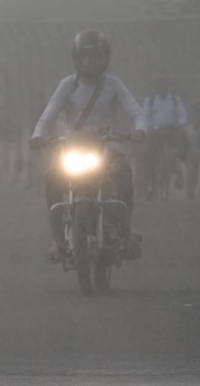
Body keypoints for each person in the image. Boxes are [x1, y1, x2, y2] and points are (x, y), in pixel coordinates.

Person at [28, 30, 147, 263]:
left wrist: (139, 129)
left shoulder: (114, 85)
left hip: (108, 149)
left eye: (95, 57)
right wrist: (38, 135)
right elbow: (47, 117)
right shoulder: (67, 85)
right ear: (76, 58)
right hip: (73, 149)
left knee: (123, 174)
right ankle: (59, 239)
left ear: (104, 58)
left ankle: (126, 231)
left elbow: (136, 112)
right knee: (53, 179)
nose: (89, 62)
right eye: (85, 57)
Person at [141, 78, 189, 198]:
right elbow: (145, 116)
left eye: (164, 86)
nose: (162, 89)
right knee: (148, 155)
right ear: (156, 88)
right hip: (155, 131)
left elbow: (181, 114)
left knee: (183, 146)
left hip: (171, 131)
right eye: (159, 87)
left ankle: (178, 169)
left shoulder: (175, 100)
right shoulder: (150, 101)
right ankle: (151, 185)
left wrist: (181, 124)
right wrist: (149, 127)